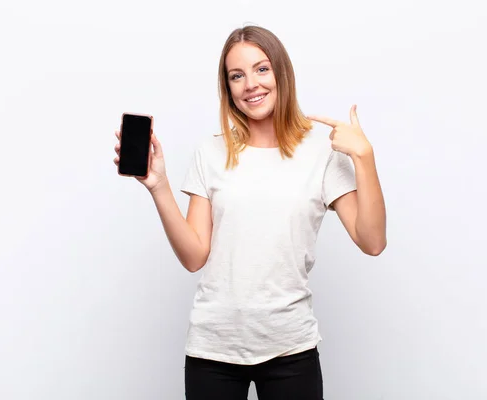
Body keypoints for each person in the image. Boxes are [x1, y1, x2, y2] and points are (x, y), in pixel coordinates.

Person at [113, 25, 386, 400]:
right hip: (213, 349)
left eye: (261, 69)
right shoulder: (212, 151)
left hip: (291, 347)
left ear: (281, 73)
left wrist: (364, 157)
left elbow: (372, 242)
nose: (250, 85)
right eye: (236, 76)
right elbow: (194, 257)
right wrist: (158, 185)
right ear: (228, 89)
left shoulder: (322, 150)